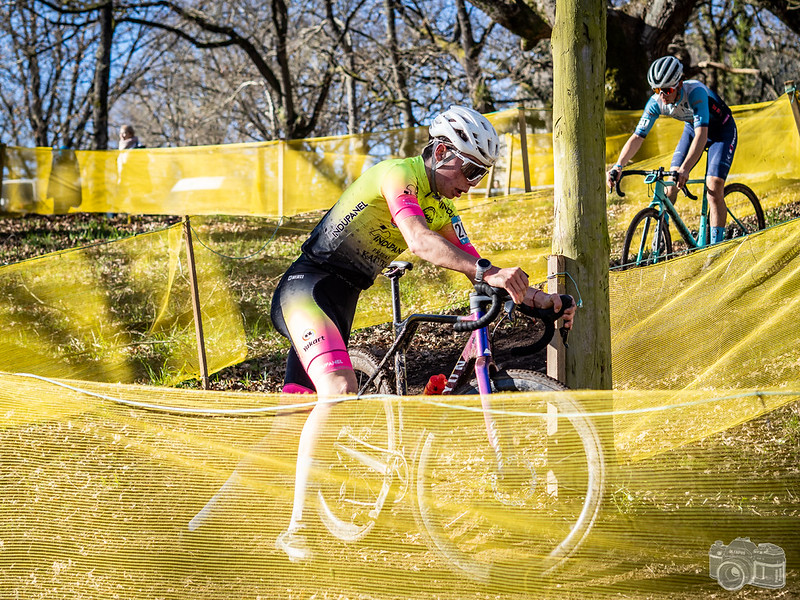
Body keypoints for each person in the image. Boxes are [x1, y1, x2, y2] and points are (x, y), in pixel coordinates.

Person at [268, 105, 576, 562]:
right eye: (470, 169)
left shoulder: (442, 209)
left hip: (343, 298)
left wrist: (540, 300)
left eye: (481, 175)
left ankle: (240, 506)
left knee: (288, 420)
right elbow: (416, 240)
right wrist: (488, 271)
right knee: (336, 389)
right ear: (443, 151)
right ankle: (296, 529)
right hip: (306, 288)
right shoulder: (399, 175)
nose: (472, 183)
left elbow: (478, 264)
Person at [607, 56, 738, 246]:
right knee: (670, 188)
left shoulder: (695, 93)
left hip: (721, 132)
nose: (662, 95)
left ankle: (716, 248)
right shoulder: (656, 102)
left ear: (679, 85)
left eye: (667, 90)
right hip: (693, 128)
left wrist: (685, 168)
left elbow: (703, 136)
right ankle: (662, 241)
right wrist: (618, 165)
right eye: (657, 90)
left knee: (713, 187)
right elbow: (637, 137)